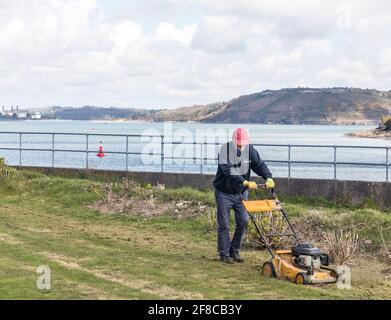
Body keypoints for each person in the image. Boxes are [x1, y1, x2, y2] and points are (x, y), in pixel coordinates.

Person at [213, 128, 275, 264]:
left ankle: (234, 250)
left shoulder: (250, 150)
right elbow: (228, 170)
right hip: (224, 192)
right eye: (239, 143)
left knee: (243, 221)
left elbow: (259, 165)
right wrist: (244, 181)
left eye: (243, 143)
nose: (241, 146)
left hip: (241, 193)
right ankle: (224, 254)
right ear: (233, 141)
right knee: (224, 224)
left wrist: (268, 177)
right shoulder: (225, 150)